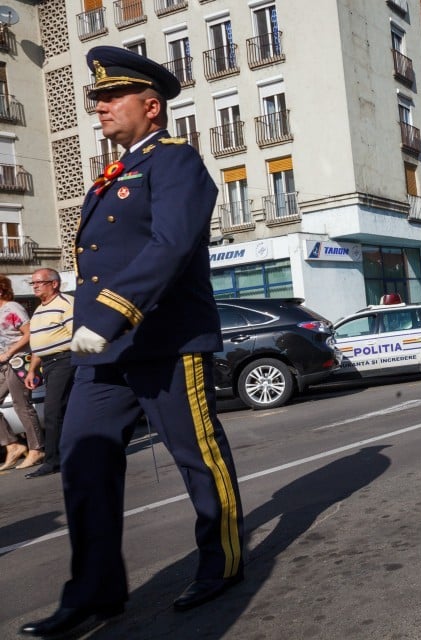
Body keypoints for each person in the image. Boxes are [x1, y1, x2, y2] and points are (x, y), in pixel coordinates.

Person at [21, 47, 244, 638]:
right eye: (96, 98)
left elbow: (169, 246)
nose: (97, 106)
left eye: (109, 96)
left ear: (151, 106)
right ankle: (94, 591)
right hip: (103, 350)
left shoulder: (175, 164)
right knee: (84, 463)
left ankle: (221, 561)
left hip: (165, 342)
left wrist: (115, 312)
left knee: (198, 457)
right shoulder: (110, 178)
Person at [22, 268, 75, 478]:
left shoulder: (66, 304)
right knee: (61, 412)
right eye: (32, 283)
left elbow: (77, 336)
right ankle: (67, 455)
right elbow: (38, 343)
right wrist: (32, 369)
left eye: (39, 282)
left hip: (65, 361)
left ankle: (53, 461)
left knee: (53, 413)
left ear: (54, 284)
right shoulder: (39, 309)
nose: (34, 286)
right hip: (48, 364)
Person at [0, 274, 44, 471]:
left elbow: (30, 333)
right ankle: (13, 445)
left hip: (18, 362)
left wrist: (9, 351)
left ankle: (37, 448)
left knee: (21, 404)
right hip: (3, 365)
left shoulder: (12, 308)